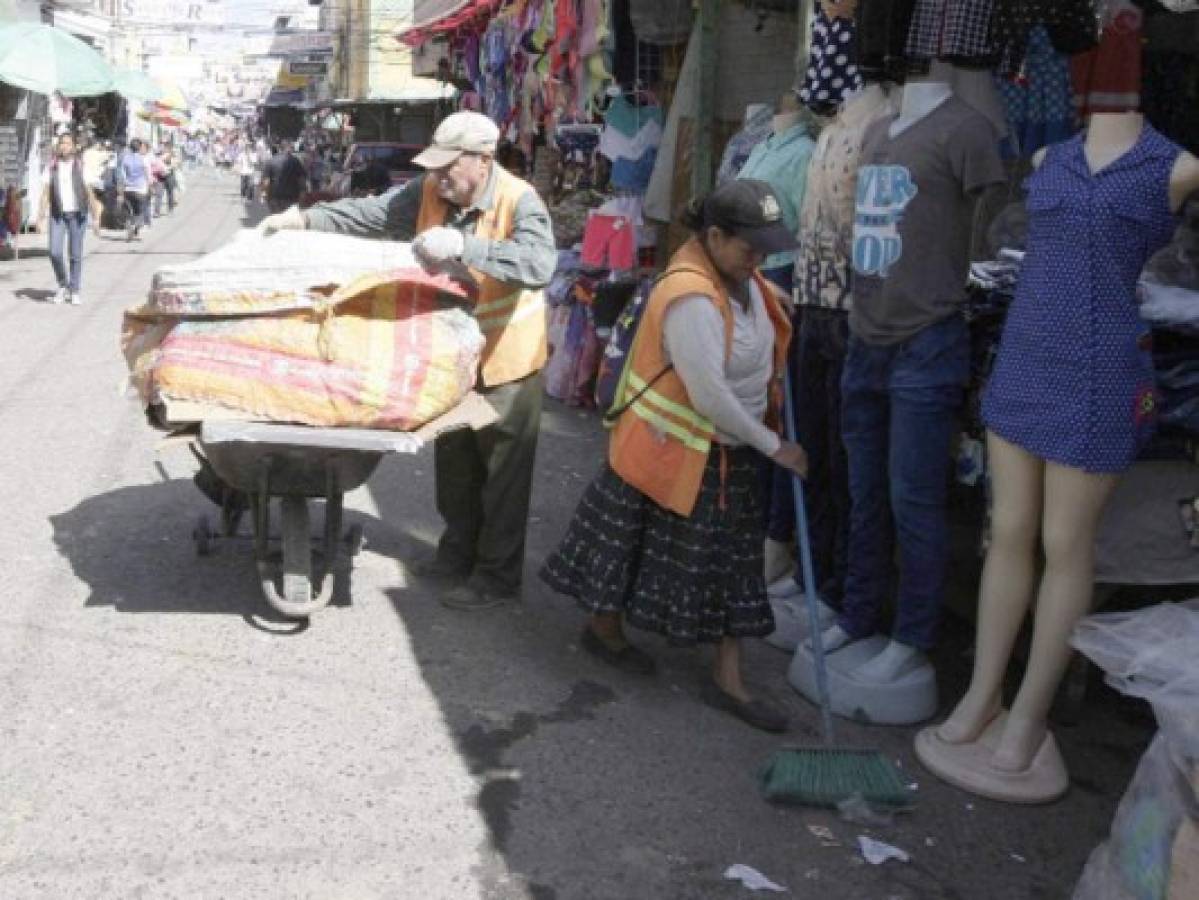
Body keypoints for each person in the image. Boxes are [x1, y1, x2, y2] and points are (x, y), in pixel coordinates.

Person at [259, 111, 557, 611]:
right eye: (435, 168)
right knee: (456, 466)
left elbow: (540, 263)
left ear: (482, 161)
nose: (439, 178)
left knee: (502, 478)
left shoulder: (519, 199)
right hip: (449, 357)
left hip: (506, 360)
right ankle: (457, 554)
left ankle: (496, 579)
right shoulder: (427, 191)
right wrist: (303, 217)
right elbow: (370, 214)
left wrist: (467, 246)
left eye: (449, 169)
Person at [540, 180, 804, 733]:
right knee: (629, 546)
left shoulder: (742, 278)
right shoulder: (689, 297)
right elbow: (710, 397)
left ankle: (729, 678)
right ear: (713, 236)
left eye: (765, 247)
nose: (760, 257)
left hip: (716, 451)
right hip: (667, 448)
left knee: (730, 564)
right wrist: (775, 445)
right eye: (749, 246)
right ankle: (604, 631)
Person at [37, 131, 102, 305]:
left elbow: (90, 194)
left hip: (78, 215)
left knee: (75, 254)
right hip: (58, 214)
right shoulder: (52, 166)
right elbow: (45, 193)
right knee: (54, 252)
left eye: (67, 143)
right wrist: (40, 216)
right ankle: (62, 284)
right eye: (61, 143)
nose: (64, 146)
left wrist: (96, 218)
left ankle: (74, 289)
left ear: (73, 147)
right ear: (58, 147)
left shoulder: (80, 166)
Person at [116, 138, 150, 241]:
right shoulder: (143, 158)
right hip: (141, 189)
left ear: (130, 147)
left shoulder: (125, 158)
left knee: (129, 210)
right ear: (139, 147)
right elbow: (146, 174)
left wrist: (120, 192)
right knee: (140, 211)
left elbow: (122, 175)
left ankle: (130, 225)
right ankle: (135, 227)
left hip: (128, 188)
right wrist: (149, 186)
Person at [260, 141, 307, 213]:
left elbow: (266, 182)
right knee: (289, 221)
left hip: (274, 197)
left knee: (276, 219)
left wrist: (264, 194)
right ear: (290, 149)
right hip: (291, 198)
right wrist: (302, 195)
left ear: (279, 148)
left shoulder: (271, 161)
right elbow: (302, 181)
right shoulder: (296, 161)